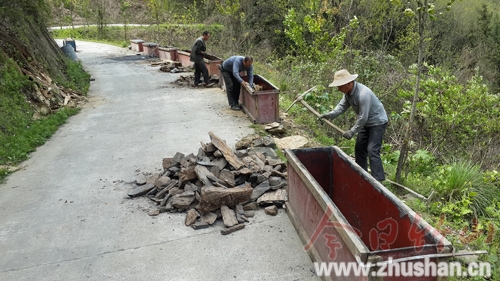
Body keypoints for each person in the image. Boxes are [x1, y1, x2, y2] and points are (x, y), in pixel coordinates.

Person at [319, 69, 388, 181]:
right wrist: (329, 115)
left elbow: (363, 117)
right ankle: (361, 175)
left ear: (348, 83)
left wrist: (352, 131)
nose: (338, 89)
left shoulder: (363, 94)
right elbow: (341, 107)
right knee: (359, 149)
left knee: (372, 150)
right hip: (364, 123)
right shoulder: (348, 94)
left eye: (340, 86)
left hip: (377, 122)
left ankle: (378, 180)